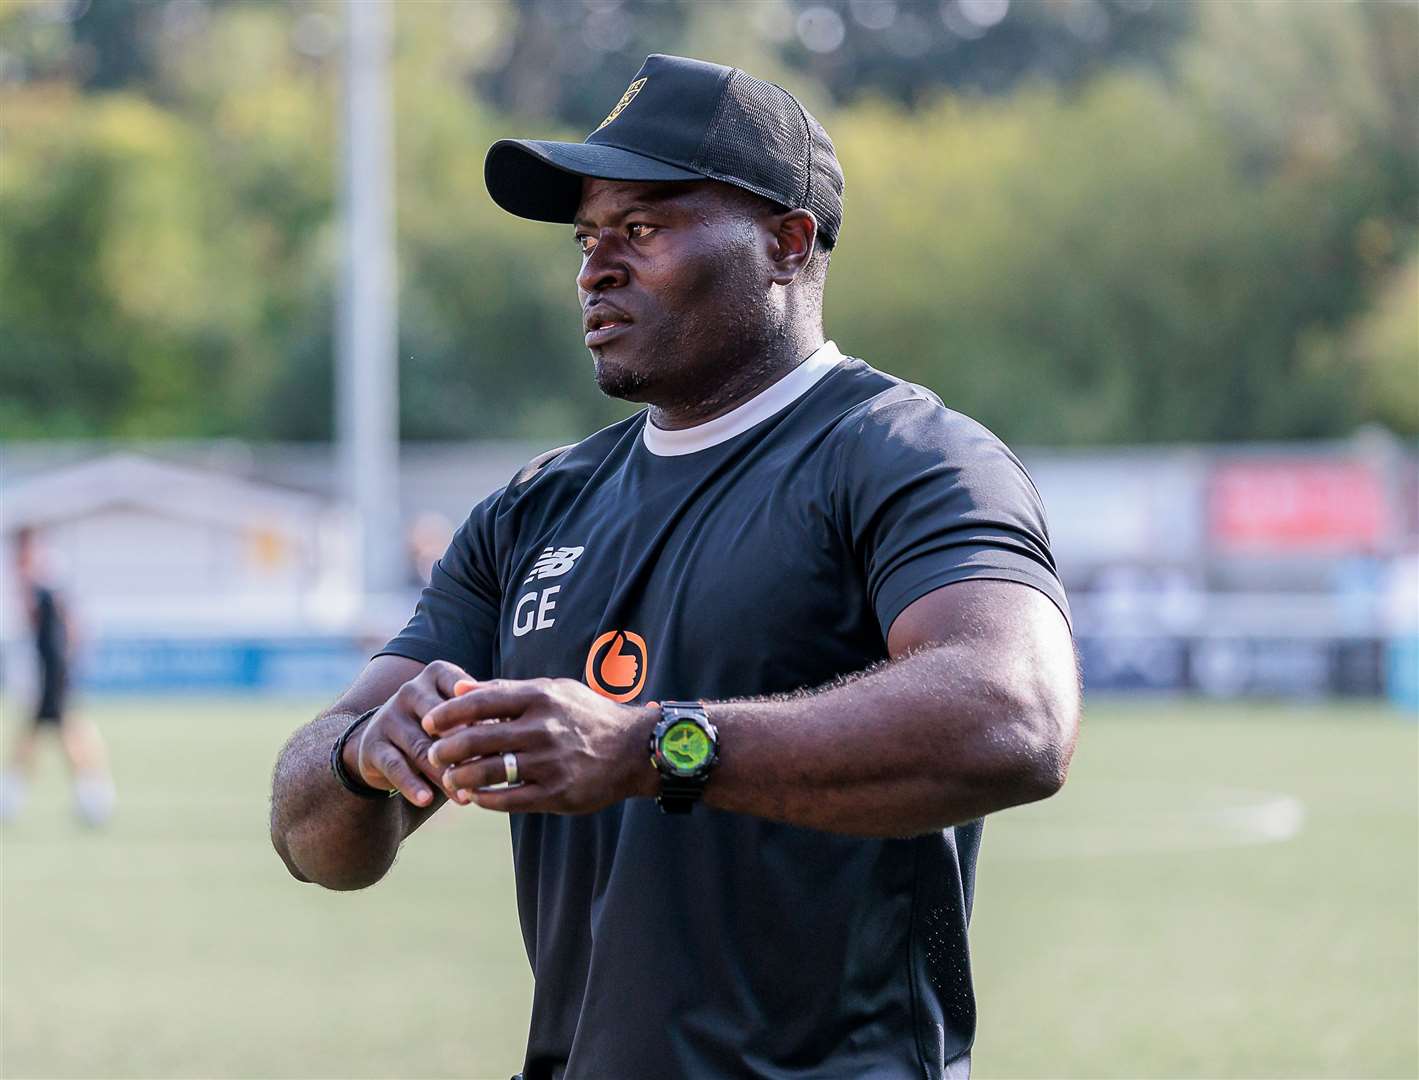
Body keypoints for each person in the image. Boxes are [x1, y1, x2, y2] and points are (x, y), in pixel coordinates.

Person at [270, 54, 1079, 1080]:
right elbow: (315, 843)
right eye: (587, 238)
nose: (595, 269)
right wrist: (355, 761)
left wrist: (659, 749)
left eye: (642, 230)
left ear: (788, 244)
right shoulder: (531, 512)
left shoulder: (907, 455)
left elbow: (1017, 718)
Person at [1, 526, 115, 826]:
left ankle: (93, 794)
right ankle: (90, 793)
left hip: (52, 670)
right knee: (48, 730)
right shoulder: (28, 582)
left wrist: (67, 663)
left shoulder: (48, 582)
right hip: (42, 670)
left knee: (64, 730)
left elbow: (69, 626)